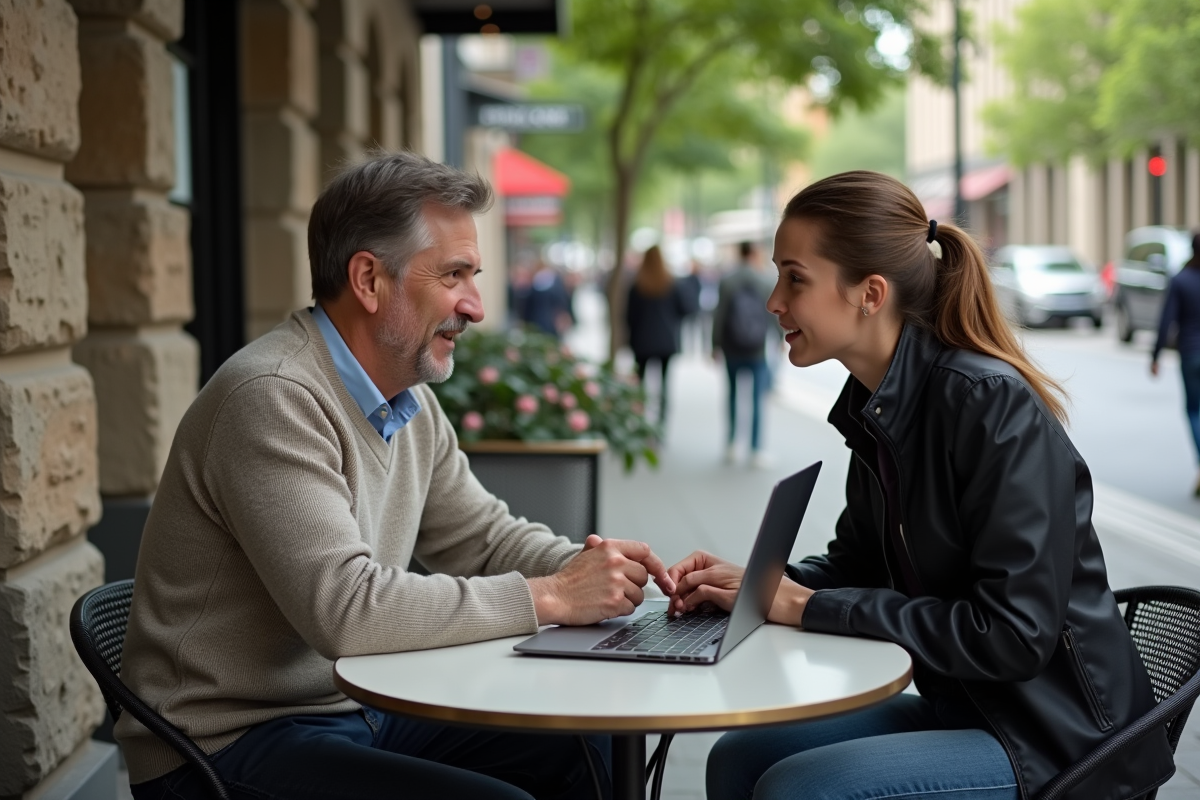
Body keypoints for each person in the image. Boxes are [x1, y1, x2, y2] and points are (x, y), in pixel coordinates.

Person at [116, 151, 676, 800]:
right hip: (222, 743)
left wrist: (629, 579)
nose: (476, 306)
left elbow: (484, 540)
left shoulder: (409, 401)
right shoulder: (272, 397)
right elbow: (346, 610)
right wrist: (551, 596)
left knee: (589, 741)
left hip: (349, 707)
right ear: (369, 280)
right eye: (455, 275)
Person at [669, 171, 1173, 800]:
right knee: (739, 757)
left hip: (1058, 742)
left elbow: (1013, 636)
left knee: (800, 788)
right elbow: (858, 564)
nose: (774, 300)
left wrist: (802, 605)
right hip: (969, 709)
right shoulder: (878, 403)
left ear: (869, 294)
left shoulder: (989, 406)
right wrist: (755, 585)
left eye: (794, 278)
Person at [713, 241, 775, 468]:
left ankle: (731, 444)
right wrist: (779, 339)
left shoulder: (728, 280)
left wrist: (714, 344)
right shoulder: (764, 280)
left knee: (732, 396)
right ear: (754, 254)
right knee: (758, 399)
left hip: (731, 347)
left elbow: (719, 315)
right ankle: (756, 449)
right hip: (757, 348)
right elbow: (772, 314)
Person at [1151, 232, 1200, 495]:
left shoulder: (1180, 280)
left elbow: (1166, 319)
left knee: (1194, 410)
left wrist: (1155, 355)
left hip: (1191, 354)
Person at [625, 245, 696, 424]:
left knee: (640, 384)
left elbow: (629, 316)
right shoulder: (671, 283)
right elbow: (686, 309)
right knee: (664, 384)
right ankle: (661, 424)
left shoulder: (637, 285)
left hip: (641, 341)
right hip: (665, 341)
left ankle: (640, 421)